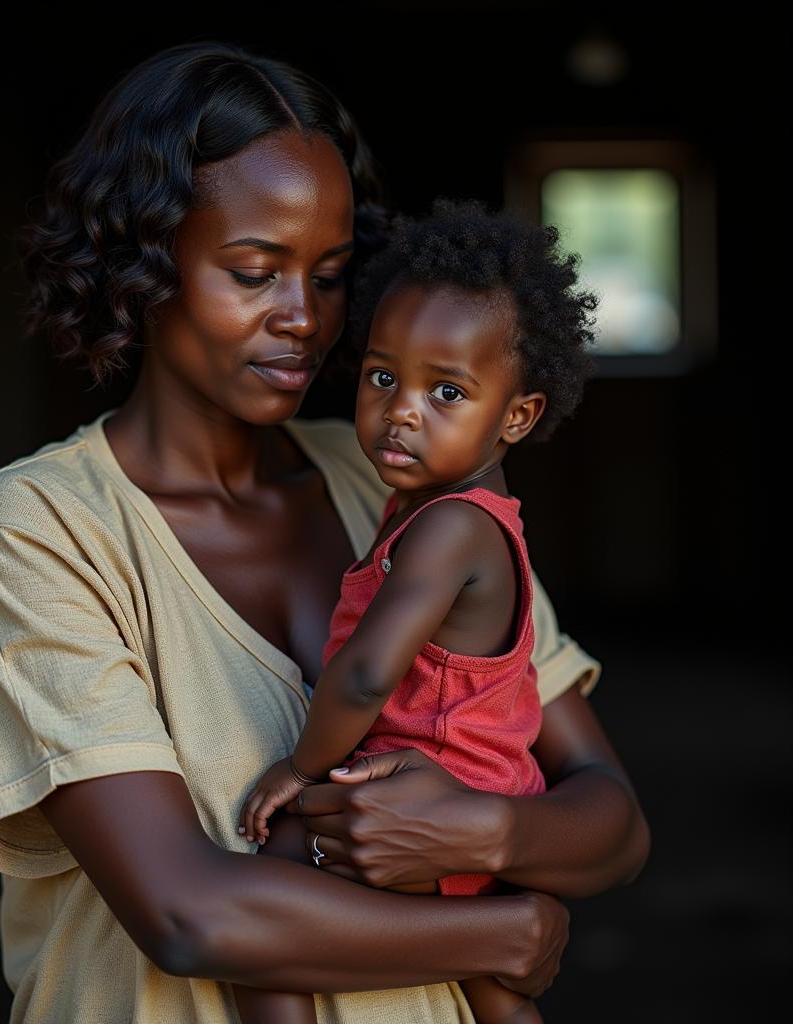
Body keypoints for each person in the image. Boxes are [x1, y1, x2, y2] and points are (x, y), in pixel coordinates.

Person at [0, 42, 650, 1024]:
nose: (303, 320)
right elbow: (188, 912)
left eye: (326, 275)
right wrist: (502, 931)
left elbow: (609, 819)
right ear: (144, 262)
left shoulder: (399, 483)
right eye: (253, 271)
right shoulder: (42, 528)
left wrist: (481, 833)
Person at [236, 199, 597, 1024]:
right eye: (382, 375)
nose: (402, 408)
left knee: (265, 894)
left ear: (517, 416)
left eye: (447, 390)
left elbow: (364, 676)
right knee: (489, 978)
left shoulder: (450, 529)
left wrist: (298, 768)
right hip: (473, 794)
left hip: (442, 802)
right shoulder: (448, 512)